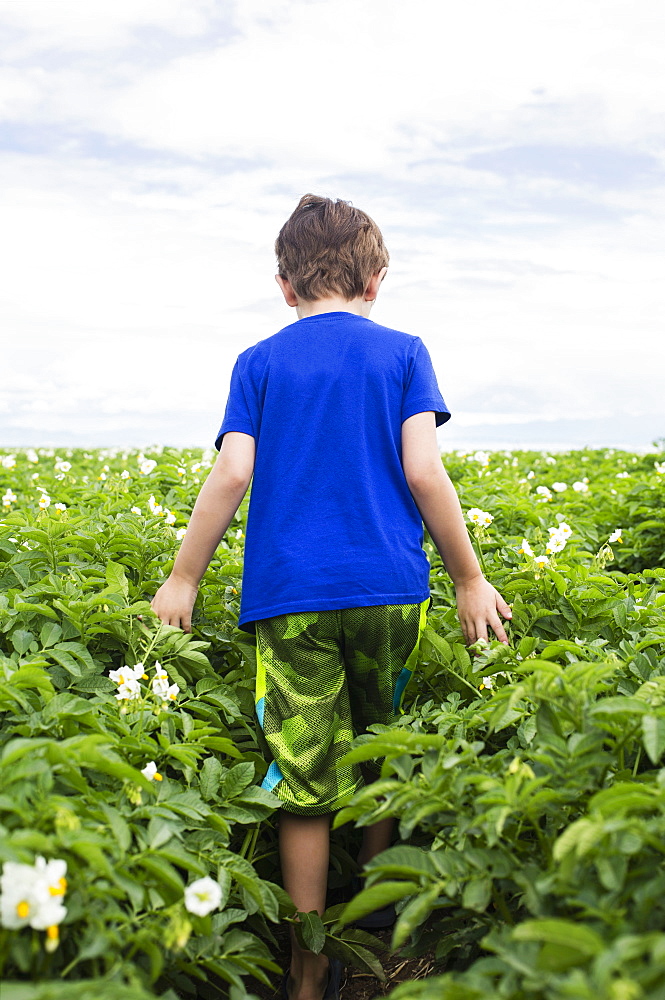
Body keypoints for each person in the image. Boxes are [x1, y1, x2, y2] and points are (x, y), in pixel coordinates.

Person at [150, 194, 512, 1000]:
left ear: (284, 285)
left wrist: (183, 577)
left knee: (301, 772)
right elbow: (424, 471)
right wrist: (467, 577)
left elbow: (234, 472)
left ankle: (309, 968)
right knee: (377, 747)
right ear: (375, 279)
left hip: (291, 597)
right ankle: (377, 932)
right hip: (389, 590)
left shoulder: (260, 361)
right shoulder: (404, 353)